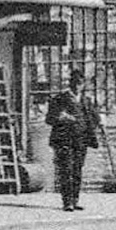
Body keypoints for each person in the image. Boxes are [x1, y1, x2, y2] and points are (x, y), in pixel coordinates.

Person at [45, 70, 99, 212]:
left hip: (81, 140)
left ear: (83, 85)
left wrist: (99, 121)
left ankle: (75, 200)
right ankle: (67, 202)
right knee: (66, 169)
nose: (77, 87)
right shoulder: (59, 99)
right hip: (64, 140)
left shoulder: (86, 101)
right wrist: (61, 117)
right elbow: (49, 119)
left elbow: (94, 117)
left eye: (80, 84)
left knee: (77, 170)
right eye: (75, 83)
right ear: (70, 83)